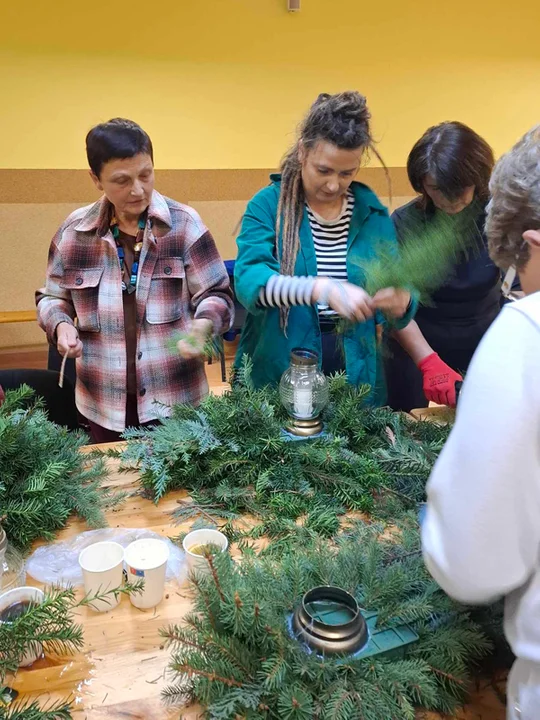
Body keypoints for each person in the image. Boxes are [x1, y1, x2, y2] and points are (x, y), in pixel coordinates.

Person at [422, 125, 540, 720]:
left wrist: (437, 517)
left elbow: (473, 563)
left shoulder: (527, 336)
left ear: (533, 241)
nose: (517, 282)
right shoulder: (406, 225)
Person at [36, 118, 233, 442]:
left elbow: (218, 294)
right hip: (102, 401)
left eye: (146, 174)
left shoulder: (184, 225)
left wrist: (203, 325)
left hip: (176, 397)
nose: (138, 189)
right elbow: (52, 298)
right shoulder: (73, 233)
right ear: (96, 179)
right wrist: (60, 325)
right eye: (121, 180)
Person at [233, 91, 422, 405]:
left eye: (347, 173)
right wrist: (319, 289)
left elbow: (398, 291)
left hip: (354, 371)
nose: (334, 184)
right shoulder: (269, 205)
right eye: (324, 170)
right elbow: (250, 282)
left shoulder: (370, 212)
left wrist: (401, 301)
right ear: (302, 152)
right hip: (282, 365)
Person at [386, 122, 503, 411]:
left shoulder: (498, 215)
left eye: (459, 188)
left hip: (485, 341)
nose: (451, 200)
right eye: (437, 188)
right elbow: (395, 306)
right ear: (422, 184)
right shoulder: (404, 223)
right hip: (417, 346)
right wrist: (428, 361)